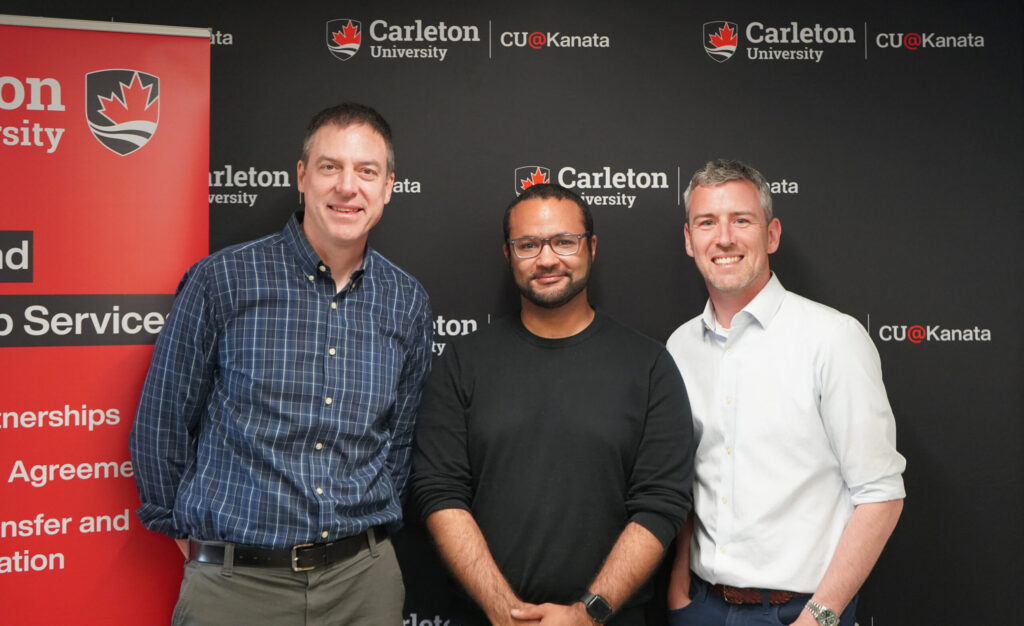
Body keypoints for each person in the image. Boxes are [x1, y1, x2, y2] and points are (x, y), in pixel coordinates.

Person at [130, 102, 433, 625]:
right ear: (302, 176)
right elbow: (162, 423)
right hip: (236, 587)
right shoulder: (222, 280)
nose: (347, 186)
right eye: (329, 166)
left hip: (363, 585)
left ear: (387, 187)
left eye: (367, 171)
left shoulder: (407, 301)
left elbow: (399, 441)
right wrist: (197, 545)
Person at [411, 183, 694, 625]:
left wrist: (588, 614)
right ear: (508, 254)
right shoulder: (462, 364)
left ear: (592, 247)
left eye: (564, 241)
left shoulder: (649, 365)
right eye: (528, 245)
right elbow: (440, 493)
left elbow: (661, 503)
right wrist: (505, 612)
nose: (546, 259)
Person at [665, 159, 906, 626]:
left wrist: (819, 616)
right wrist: (678, 593)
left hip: (798, 612)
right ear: (689, 240)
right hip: (700, 608)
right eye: (707, 222)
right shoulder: (680, 346)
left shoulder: (832, 338)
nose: (725, 237)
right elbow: (685, 480)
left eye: (742, 220)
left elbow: (881, 494)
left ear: (771, 234)